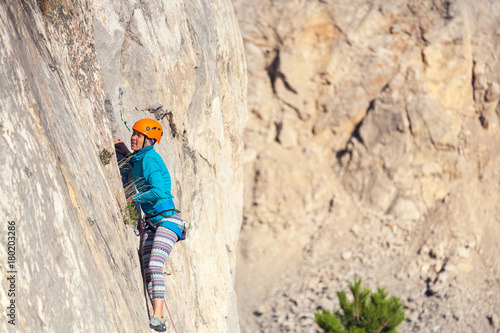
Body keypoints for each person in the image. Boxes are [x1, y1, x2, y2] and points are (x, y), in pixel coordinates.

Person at [114, 118, 182, 332]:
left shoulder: (151, 159)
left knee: (154, 265)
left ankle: (158, 316)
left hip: (168, 221)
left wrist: (136, 199)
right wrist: (125, 153)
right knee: (147, 270)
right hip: (154, 223)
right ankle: (159, 318)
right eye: (133, 133)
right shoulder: (142, 157)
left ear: (149, 140)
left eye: (139, 135)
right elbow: (136, 164)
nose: (133, 137)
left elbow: (160, 191)